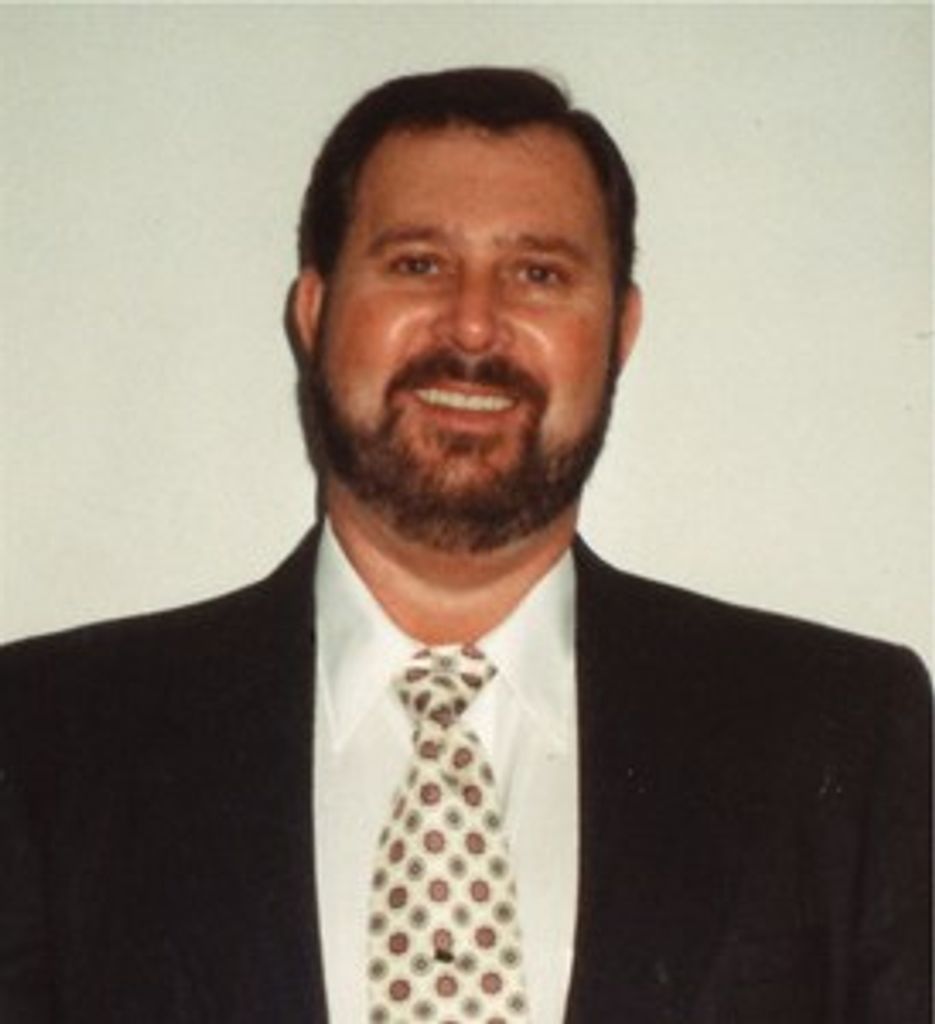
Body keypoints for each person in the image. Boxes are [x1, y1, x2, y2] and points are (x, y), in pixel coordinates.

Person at [0, 67, 929, 1024]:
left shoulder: (841, 738)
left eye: (539, 274)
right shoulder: (42, 744)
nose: (475, 324)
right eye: (416, 264)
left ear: (619, 332)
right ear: (314, 313)